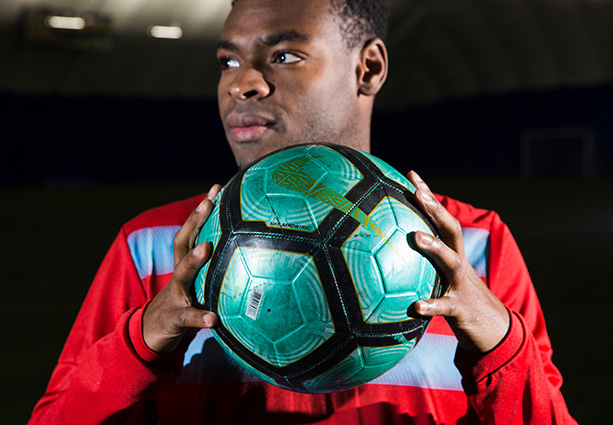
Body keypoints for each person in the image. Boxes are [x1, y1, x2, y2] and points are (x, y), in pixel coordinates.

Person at [29, 0, 577, 423]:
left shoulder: (474, 244)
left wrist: (496, 340)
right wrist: (143, 342)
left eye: (285, 55)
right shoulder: (152, 244)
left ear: (368, 68)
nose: (241, 83)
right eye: (227, 60)